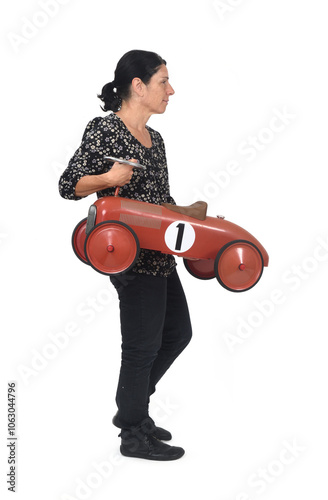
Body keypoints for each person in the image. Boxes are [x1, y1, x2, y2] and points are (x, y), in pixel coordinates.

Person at [59, 50, 192, 461]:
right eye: (163, 82)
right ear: (138, 86)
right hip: (131, 262)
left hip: (162, 257)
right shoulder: (105, 130)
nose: (171, 90)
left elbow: (160, 201)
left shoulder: (157, 140)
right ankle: (133, 433)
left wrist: (192, 216)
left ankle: (133, 408)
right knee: (141, 348)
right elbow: (68, 185)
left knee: (177, 334)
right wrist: (109, 178)